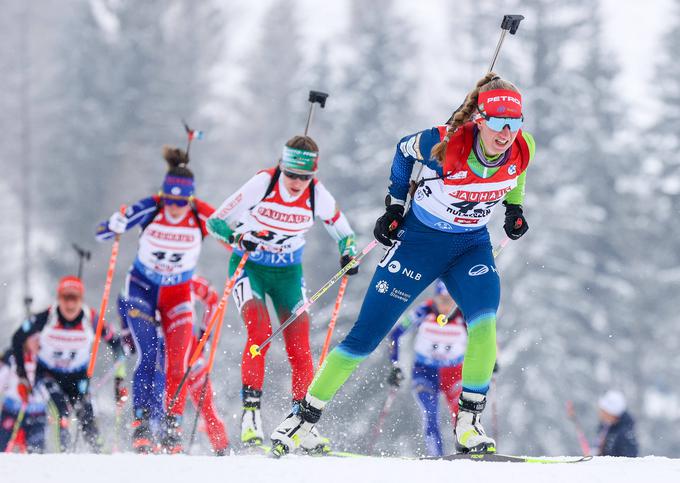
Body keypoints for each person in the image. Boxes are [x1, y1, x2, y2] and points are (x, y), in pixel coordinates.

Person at [269, 72, 535, 456]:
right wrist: (394, 205)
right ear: (481, 120)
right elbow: (402, 151)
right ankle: (302, 420)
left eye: (514, 124)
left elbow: (517, 172)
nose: (506, 132)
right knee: (366, 336)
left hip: (470, 245)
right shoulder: (444, 142)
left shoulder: (522, 146)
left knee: (484, 319)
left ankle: (468, 422)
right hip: (418, 244)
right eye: (498, 123)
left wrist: (514, 207)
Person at [207, 134, 358, 453]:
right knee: (259, 333)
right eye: (292, 175)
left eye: (305, 177)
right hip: (252, 269)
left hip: (289, 274)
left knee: (301, 347)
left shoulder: (317, 195)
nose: (297, 182)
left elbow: (345, 234)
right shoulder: (263, 183)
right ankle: (251, 415)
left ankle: (300, 424)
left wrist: (348, 253)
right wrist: (237, 237)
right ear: (282, 167)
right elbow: (215, 222)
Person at [96, 146, 216, 453]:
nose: (174, 207)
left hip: (178, 293)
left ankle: (172, 426)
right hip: (143, 290)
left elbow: (233, 236)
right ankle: (142, 423)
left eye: (181, 201)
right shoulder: (151, 207)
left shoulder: (201, 213)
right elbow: (102, 233)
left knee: (178, 360)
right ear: (163, 194)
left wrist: (247, 242)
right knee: (148, 355)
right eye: (170, 199)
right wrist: (113, 224)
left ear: (190, 198)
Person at [116, 275, 229, 455]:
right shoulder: (145, 283)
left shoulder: (186, 280)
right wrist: (127, 335)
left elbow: (214, 299)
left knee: (206, 405)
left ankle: (222, 450)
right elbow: (124, 300)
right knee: (159, 397)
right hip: (163, 357)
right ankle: (157, 443)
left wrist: (204, 335)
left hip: (191, 356)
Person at [10, 275, 125, 452]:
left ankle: (100, 455)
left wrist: (120, 379)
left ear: (81, 299)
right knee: (60, 412)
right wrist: (23, 376)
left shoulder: (91, 318)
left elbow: (117, 345)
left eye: (75, 298)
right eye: (66, 298)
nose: (70, 304)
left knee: (86, 415)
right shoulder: (46, 317)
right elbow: (18, 338)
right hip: (48, 374)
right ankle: (62, 457)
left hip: (77, 376)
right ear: (59, 298)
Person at [387, 280, 467, 457]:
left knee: (462, 415)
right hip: (425, 371)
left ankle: (466, 455)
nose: (446, 305)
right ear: (435, 298)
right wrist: (395, 366)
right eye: (441, 300)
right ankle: (436, 457)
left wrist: (491, 362)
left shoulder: (464, 314)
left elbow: (486, 338)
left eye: (450, 300)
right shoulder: (423, 310)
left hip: (454, 373)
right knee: (430, 414)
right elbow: (394, 335)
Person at [0, 336, 48, 453]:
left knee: (36, 451)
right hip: (12, 410)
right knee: (4, 446)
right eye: (33, 338)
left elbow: (50, 384)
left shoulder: (45, 357)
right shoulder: (11, 357)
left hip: (37, 412)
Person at [597, 390, 638, 457]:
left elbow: (629, 461)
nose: (601, 414)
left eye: (604, 411)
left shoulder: (625, 434)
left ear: (612, 413)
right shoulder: (606, 426)